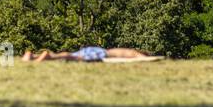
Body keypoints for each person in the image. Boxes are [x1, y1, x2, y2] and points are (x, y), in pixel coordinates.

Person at [21, 46, 155, 63]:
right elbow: (135, 55)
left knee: (72, 55)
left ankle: (32, 56)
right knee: (73, 56)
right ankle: (48, 56)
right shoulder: (133, 53)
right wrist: (146, 58)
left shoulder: (121, 49)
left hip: (96, 50)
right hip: (100, 53)